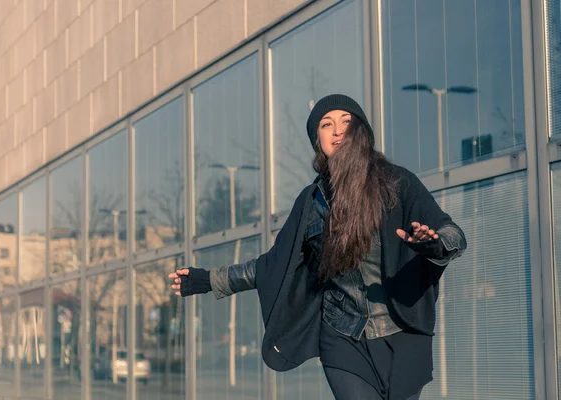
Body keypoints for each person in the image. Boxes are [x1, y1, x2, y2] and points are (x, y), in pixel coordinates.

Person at [169, 94, 466, 400]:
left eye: (346, 122)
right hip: (342, 339)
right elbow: (273, 265)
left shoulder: (397, 183)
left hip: (402, 333)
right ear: (318, 141)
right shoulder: (311, 203)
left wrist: (434, 244)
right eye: (327, 124)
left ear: (361, 131)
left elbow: (453, 233)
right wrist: (209, 280)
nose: (337, 131)